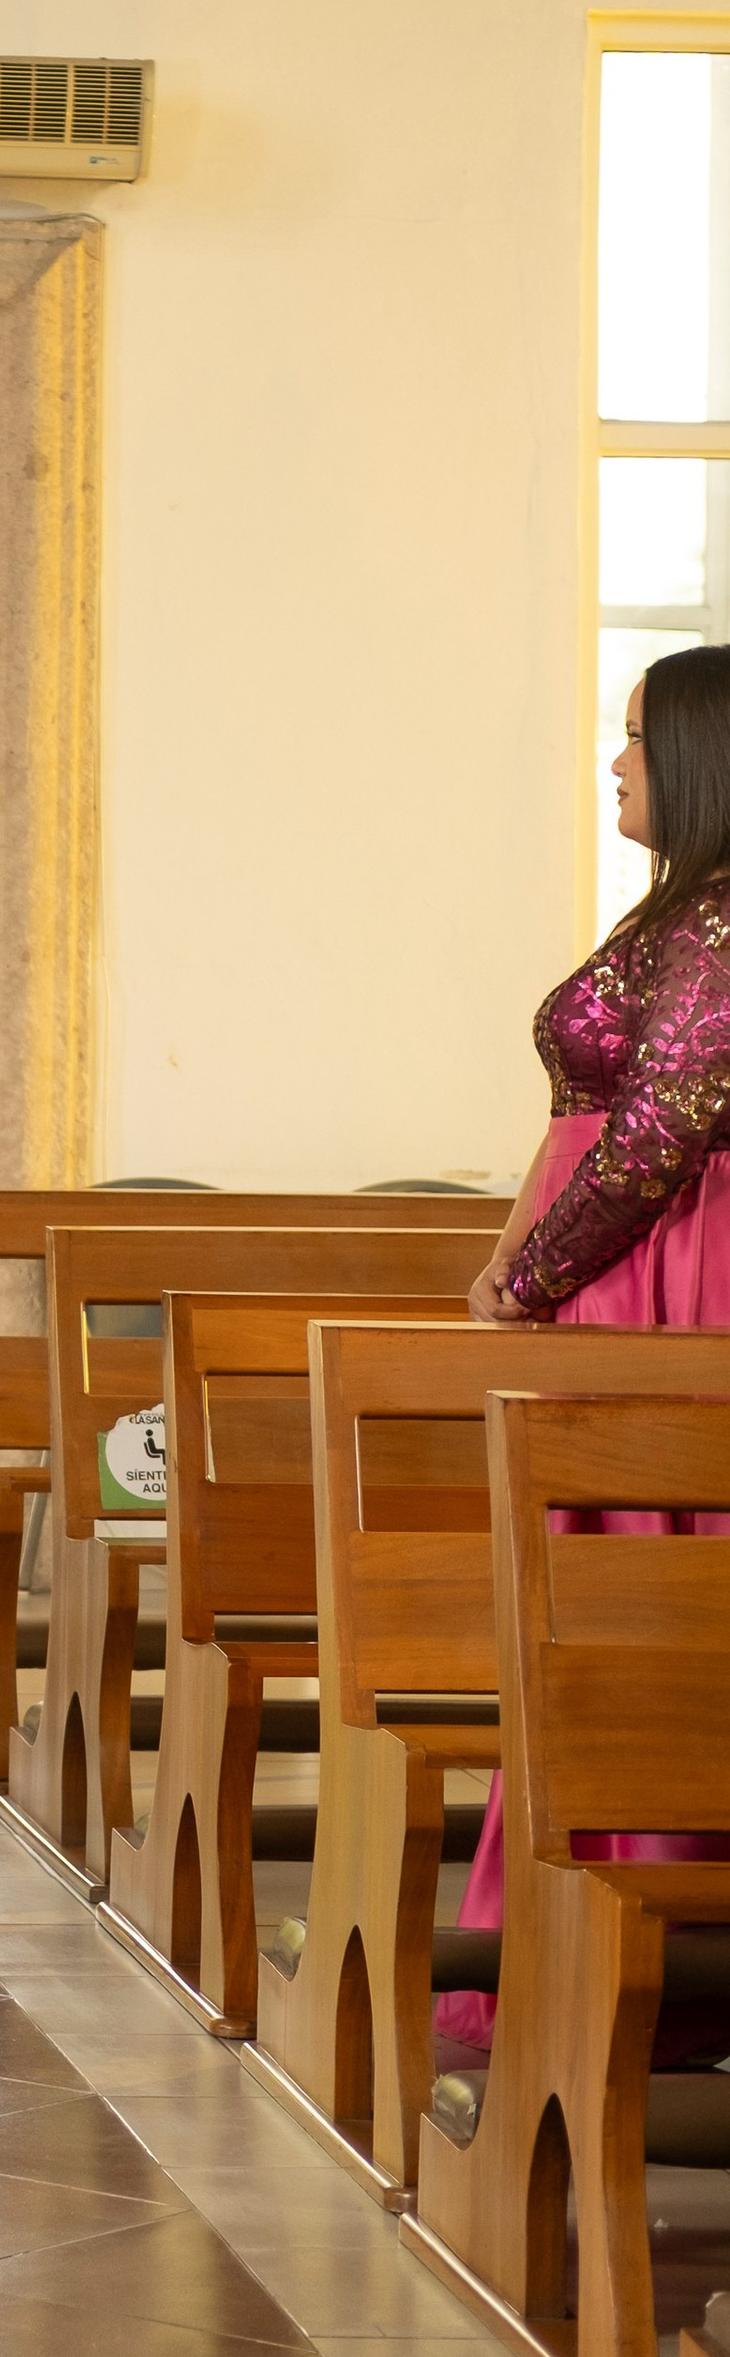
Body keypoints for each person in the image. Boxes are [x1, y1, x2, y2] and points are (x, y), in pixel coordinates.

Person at [441, 648, 730, 2057]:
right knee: (587, 1613)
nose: (616, 764)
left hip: (655, 1282)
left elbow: (665, 1126)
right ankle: (572, 1939)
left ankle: (625, 1958)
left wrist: (536, 1269)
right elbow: (585, 1115)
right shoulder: (684, 909)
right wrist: (514, 1256)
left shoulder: (725, 919)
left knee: (625, 1616)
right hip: (614, 1277)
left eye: (635, 740)